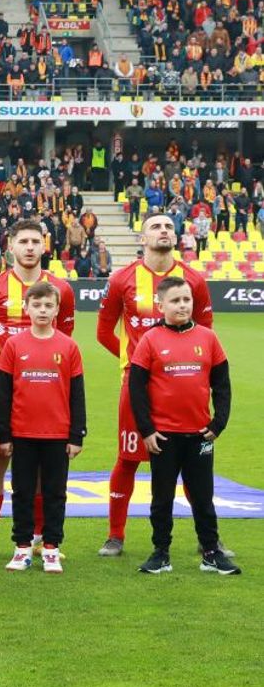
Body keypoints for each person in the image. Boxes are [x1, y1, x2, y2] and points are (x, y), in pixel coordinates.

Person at [95, 213, 221, 558]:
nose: (163, 230)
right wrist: (136, 363)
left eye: (168, 226)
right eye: (155, 226)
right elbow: (104, 331)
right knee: (128, 459)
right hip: (137, 388)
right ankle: (115, 535)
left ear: (175, 235)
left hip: (183, 386)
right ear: (142, 238)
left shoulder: (194, 280)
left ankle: (208, 538)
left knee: (193, 462)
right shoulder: (121, 279)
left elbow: (206, 334)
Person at [0, 219, 74, 559]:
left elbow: (65, 340)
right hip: (0, 390)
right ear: (10, 246)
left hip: (46, 391)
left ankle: (42, 540)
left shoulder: (62, 289)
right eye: (23, 241)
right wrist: (4, 372)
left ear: (44, 246)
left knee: (43, 467)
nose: (29, 247)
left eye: (35, 241)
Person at [127, 278, 239, 575]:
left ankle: (211, 553)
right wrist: (147, 430)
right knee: (162, 498)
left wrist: (218, 423)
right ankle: (161, 553)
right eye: (175, 300)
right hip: (163, 437)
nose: (182, 305)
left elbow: (222, 385)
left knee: (203, 497)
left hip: (200, 435)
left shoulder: (208, 338)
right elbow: (136, 388)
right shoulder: (150, 339)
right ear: (161, 304)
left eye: (186, 299)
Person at [0, 281, 85, 574]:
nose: (42, 310)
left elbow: (77, 394)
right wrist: (3, 434)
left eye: (48, 305)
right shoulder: (13, 345)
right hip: (22, 433)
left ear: (57, 309)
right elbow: (3, 393)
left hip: (58, 434)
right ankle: (22, 548)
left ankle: (51, 548)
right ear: (26, 308)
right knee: (21, 492)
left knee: (55, 493)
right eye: (37, 305)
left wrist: (76, 435)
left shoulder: (68, 346)